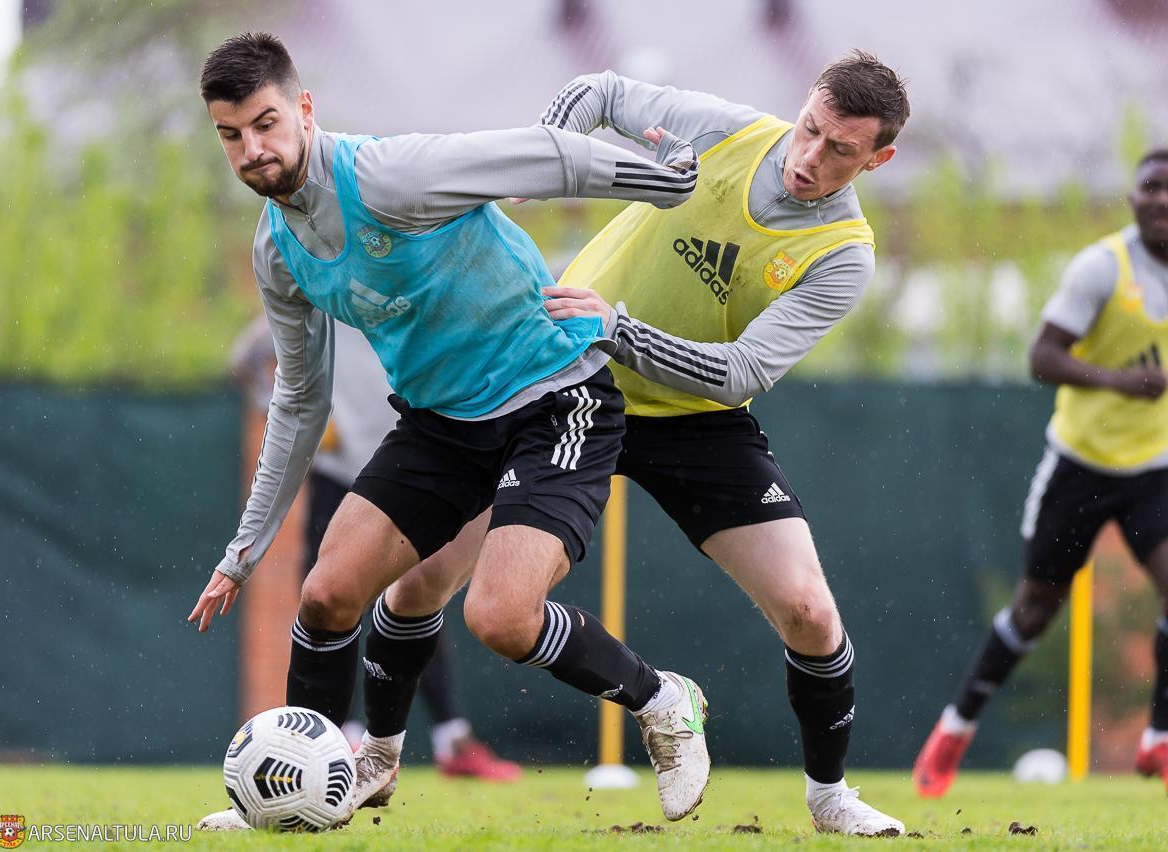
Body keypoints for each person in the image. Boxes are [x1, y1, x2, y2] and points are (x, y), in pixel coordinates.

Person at [187, 32, 711, 830]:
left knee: (500, 617)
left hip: (554, 398)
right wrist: (244, 550)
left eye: (265, 123)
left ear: (303, 109)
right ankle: (331, 777)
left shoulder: (387, 175)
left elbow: (540, 155)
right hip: (442, 424)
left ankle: (663, 700)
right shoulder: (277, 248)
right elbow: (299, 398)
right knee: (328, 594)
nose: (253, 150)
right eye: (231, 135)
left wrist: (664, 180)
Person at [379, 52, 911, 836]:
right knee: (422, 579)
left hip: (693, 418)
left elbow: (739, 373)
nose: (809, 157)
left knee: (808, 610)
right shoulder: (729, 132)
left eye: (840, 151)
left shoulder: (843, 254)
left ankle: (830, 798)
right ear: (803, 106)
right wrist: (545, 155)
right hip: (563, 382)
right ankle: (375, 759)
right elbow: (596, 90)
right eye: (809, 129)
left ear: (878, 160)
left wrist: (617, 327)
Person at [912, 149, 1168, 799]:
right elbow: (1041, 356)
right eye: (1151, 187)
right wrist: (1118, 381)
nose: (1164, 199)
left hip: (1157, 467)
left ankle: (1161, 741)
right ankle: (954, 729)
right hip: (1079, 465)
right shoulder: (1102, 267)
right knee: (1034, 610)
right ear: (1133, 199)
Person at [229, 318, 522, 781]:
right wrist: (289, 411)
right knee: (328, 595)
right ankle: (337, 735)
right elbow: (245, 359)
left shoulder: (412, 291)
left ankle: (450, 737)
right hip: (340, 471)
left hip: (407, 466)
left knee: (416, 597)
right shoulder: (323, 296)